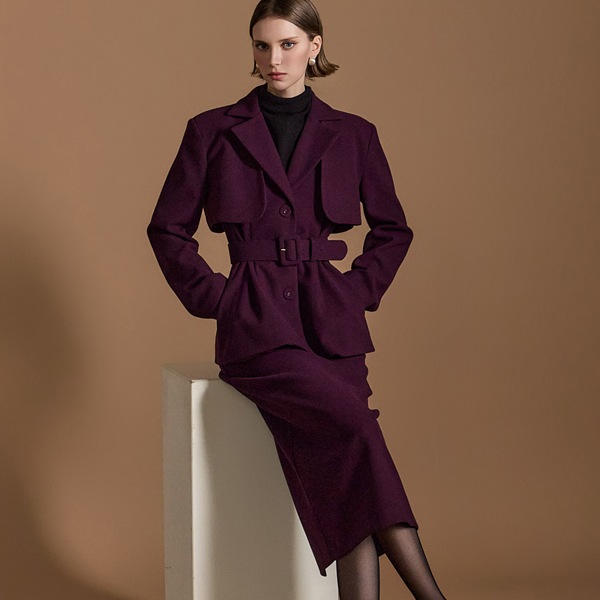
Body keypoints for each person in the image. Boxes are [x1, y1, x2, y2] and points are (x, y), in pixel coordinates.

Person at [147, 1, 447, 598]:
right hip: (256, 325)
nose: (273, 59)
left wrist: (356, 291)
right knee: (358, 435)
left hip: (333, 326)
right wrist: (220, 298)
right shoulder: (212, 130)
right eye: (262, 46)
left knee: (346, 472)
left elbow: (393, 229)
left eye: (287, 44)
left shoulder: (354, 133)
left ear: (315, 46)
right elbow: (167, 230)